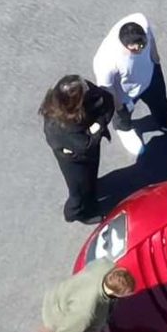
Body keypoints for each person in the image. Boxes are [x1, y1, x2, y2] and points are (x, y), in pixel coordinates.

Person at [92, 13, 167, 157]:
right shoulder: (105, 61)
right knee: (123, 115)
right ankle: (124, 129)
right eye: (136, 49)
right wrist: (118, 106)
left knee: (161, 102)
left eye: (143, 45)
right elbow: (107, 89)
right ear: (125, 45)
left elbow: (150, 36)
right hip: (125, 93)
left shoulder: (140, 21)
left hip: (151, 75)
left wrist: (155, 57)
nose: (141, 49)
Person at [39, 75, 115, 224]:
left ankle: (91, 192)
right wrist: (98, 127)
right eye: (84, 89)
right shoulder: (59, 125)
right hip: (73, 160)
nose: (87, 87)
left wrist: (97, 126)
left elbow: (106, 101)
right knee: (78, 190)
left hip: (86, 150)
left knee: (91, 176)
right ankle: (76, 213)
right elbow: (84, 145)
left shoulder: (83, 90)